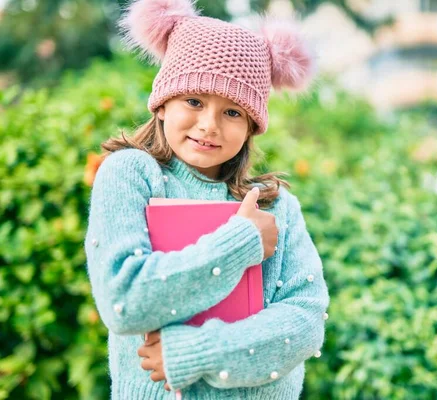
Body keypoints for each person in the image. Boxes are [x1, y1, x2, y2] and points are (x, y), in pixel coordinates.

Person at [83, 0, 330, 398]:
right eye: (194, 101)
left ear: (251, 127)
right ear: (163, 104)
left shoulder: (276, 206)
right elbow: (123, 300)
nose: (209, 126)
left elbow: (304, 322)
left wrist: (196, 353)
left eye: (233, 112)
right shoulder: (132, 175)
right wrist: (241, 243)